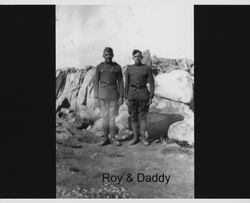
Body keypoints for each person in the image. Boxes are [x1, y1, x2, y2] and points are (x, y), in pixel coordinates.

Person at [94, 47, 124, 146]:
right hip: (102, 95)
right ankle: (105, 138)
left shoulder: (117, 67)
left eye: (110, 54)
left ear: (113, 55)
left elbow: (120, 82)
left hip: (113, 95)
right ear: (103, 55)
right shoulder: (99, 67)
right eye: (106, 54)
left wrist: (121, 96)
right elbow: (95, 83)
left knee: (112, 118)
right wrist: (96, 97)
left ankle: (113, 138)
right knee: (104, 118)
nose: (108, 56)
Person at [125, 49, 155, 146]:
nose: (138, 58)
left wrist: (151, 96)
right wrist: (126, 97)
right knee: (133, 117)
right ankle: (135, 138)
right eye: (136, 56)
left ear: (141, 58)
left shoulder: (146, 68)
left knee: (142, 117)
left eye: (139, 56)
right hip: (132, 95)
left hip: (143, 95)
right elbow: (127, 84)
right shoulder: (129, 68)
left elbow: (151, 83)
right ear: (132, 57)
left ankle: (143, 138)